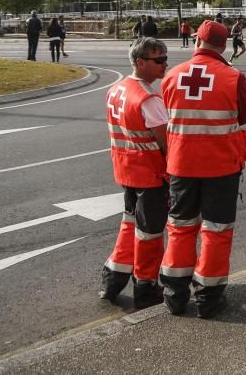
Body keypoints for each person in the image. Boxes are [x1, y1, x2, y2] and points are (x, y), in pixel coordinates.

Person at [160, 20, 246, 319]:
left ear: (197, 41)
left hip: (180, 164)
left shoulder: (172, 76)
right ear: (224, 46)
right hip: (220, 166)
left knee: (180, 227)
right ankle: (208, 298)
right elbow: (245, 115)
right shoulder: (232, 77)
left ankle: (174, 294)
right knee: (216, 231)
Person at [99, 37, 170, 309]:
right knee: (150, 234)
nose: (165, 64)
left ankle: (113, 278)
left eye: (165, 58)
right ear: (140, 62)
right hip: (149, 174)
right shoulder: (148, 98)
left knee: (130, 225)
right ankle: (146, 286)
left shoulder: (117, 89)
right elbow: (166, 141)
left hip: (125, 169)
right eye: (159, 60)